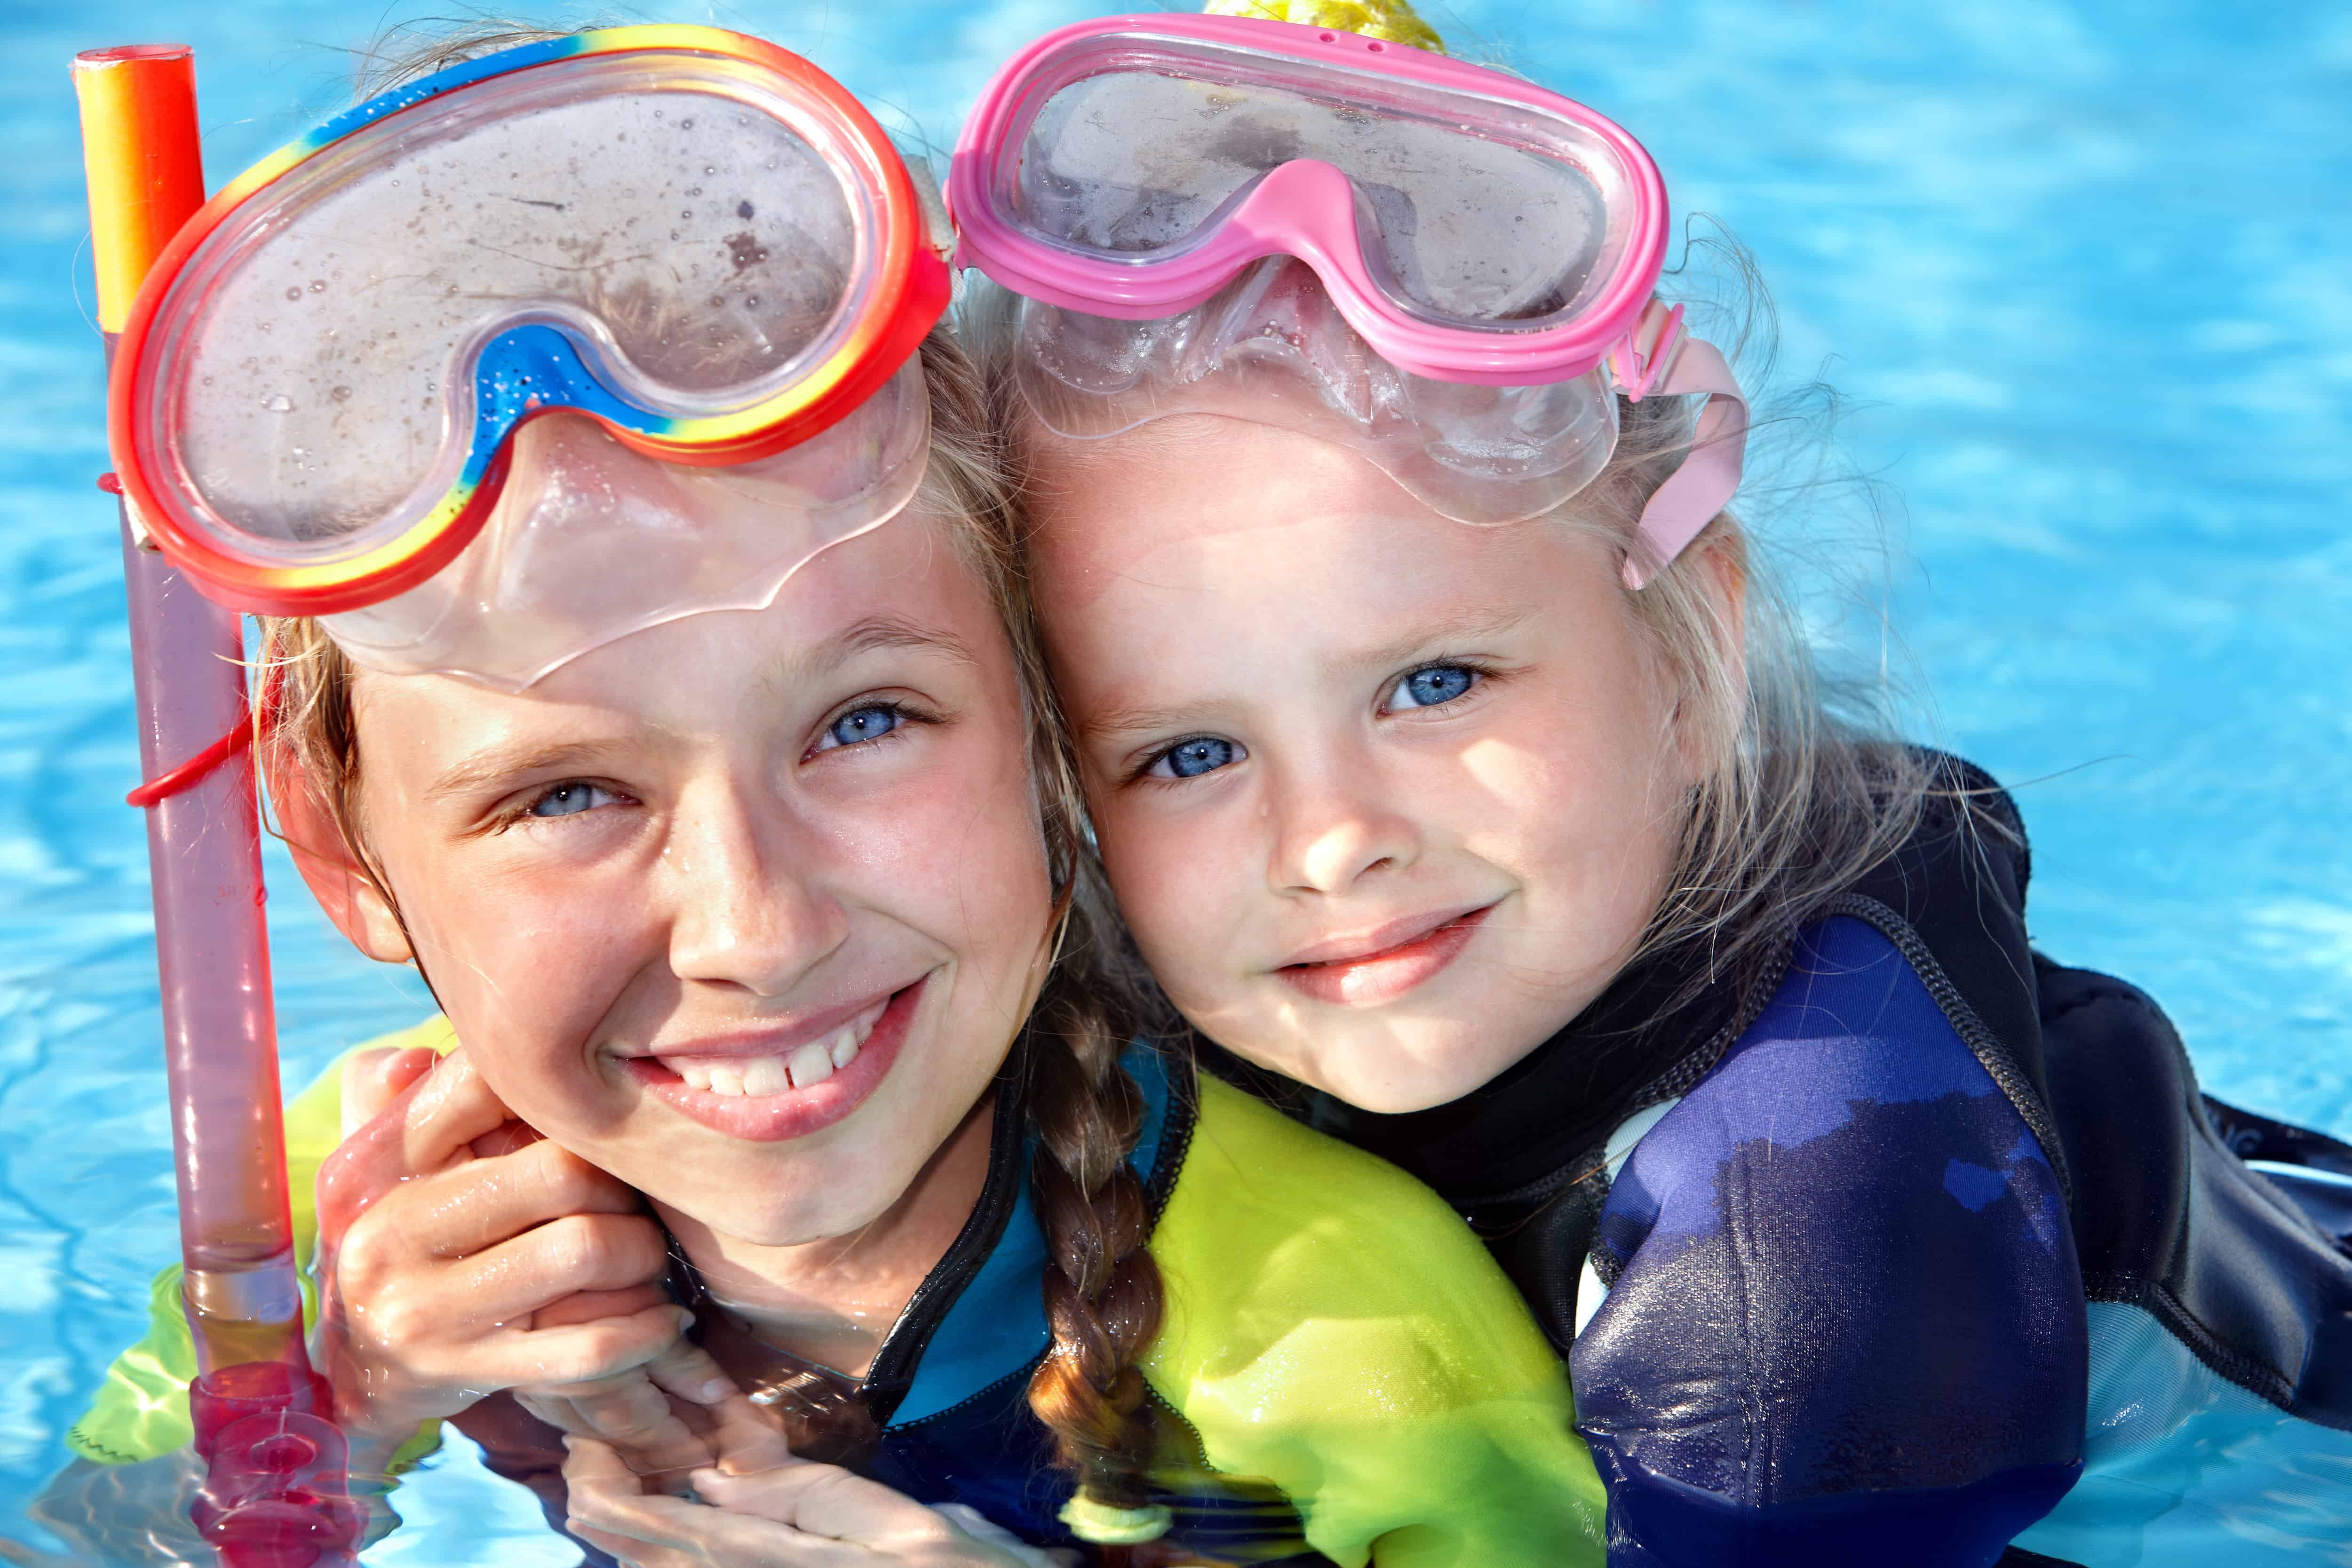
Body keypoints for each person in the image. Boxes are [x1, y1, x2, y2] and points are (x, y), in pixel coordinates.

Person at [49, 22, 1606, 1568]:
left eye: (863, 722)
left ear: (1045, 736)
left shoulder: (1348, 1345)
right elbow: (83, 1542)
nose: (758, 929)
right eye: (567, 794)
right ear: (344, 853)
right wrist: (333, 1415)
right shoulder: (346, 1219)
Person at [951, 2, 2352, 1563]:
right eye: (1190, 755)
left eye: (1435, 684)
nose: (1334, 842)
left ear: (1689, 660)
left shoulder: (1802, 1246)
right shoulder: (1200, 993)